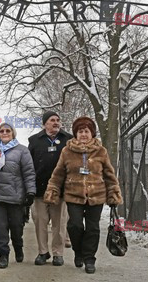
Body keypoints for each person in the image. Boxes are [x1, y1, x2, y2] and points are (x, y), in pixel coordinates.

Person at [44, 116, 122, 274]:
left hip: (97, 195)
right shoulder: (67, 151)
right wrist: (52, 190)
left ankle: (89, 259)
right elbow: (58, 174)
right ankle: (78, 251)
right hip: (74, 195)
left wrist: (113, 193)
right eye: (80, 131)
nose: (84, 134)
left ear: (92, 133)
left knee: (93, 228)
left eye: (86, 131)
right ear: (76, 134)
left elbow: (109, 174)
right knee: (75, 225)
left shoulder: (101, 151)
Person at [0, 123, 36, 269]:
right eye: (2, 131)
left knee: (16, 227)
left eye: (8, 130)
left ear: (13, 133)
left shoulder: (22, 151)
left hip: (16, 196)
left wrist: (30, 192)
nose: (5, 133)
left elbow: (29, 173)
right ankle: (3, 255)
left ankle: (18, 247)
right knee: (0, 227)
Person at [28, 111, 73, 266]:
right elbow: (29, 166)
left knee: (59, 224)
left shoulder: (68, 139)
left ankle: (58, 253)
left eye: (57, 120)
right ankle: (42, 252)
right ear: (45, 123)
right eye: (52, 120)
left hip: (60, 190)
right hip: (40, 189)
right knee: (40, 222)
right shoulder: (34, 141)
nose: (55, 122)